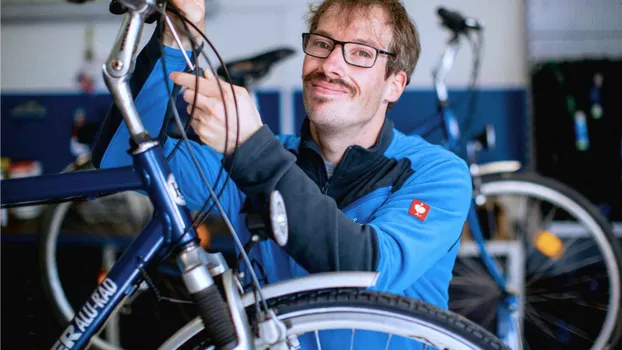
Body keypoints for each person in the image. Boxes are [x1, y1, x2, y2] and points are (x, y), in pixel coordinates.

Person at [93, 0, 472, 348]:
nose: (330, 65)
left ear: (394, 85)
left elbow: (367, 269)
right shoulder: (254, 159)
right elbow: (121, 157)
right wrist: (178, 35)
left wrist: (250, 147)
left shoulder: (437, 174)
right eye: (322, 44)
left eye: (360, 53)